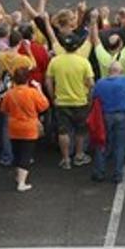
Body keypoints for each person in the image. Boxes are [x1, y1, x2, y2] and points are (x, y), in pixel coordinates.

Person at [46, 32, 95, 169]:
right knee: (81, 130)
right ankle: (79, 155)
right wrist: (89, 99)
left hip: (62, 101)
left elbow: (48, 81)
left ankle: (66, 158)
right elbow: (91, 84)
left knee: (63, 131)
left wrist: (53, 97)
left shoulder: (55, 61)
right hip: (80, 101)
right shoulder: (83, 62)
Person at [92, 58, 125, 183]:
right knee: (120, 145)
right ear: (120, 71)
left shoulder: (100, 83)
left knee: (102, 142)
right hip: (122, 115)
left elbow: (93, 97)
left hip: (105, 115)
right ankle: (118, 174)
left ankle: (100, 172)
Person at [0, 67, 49, 192]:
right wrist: (39, 89)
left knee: (17, 153)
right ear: (28, 79)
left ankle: (18, 176)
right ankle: (21, 182)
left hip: (14, 126)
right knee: (26, 154)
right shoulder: (32, 92)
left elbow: (4, 109)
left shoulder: (10, 93)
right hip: (29, 127)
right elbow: (44, 105)